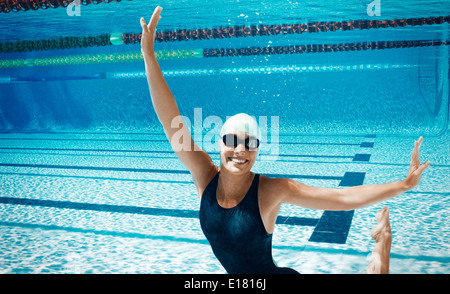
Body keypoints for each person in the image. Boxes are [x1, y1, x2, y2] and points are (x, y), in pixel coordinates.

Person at [139, 6, 430, 274]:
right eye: (232, 140)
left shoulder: (270, 191)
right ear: (218, 143)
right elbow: (170, 118)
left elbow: (339, 199)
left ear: (258, 150)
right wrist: (149, 56)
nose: (240, 150)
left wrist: (403, 185)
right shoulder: (204, 175)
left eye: (250, 143)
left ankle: (382, 246)